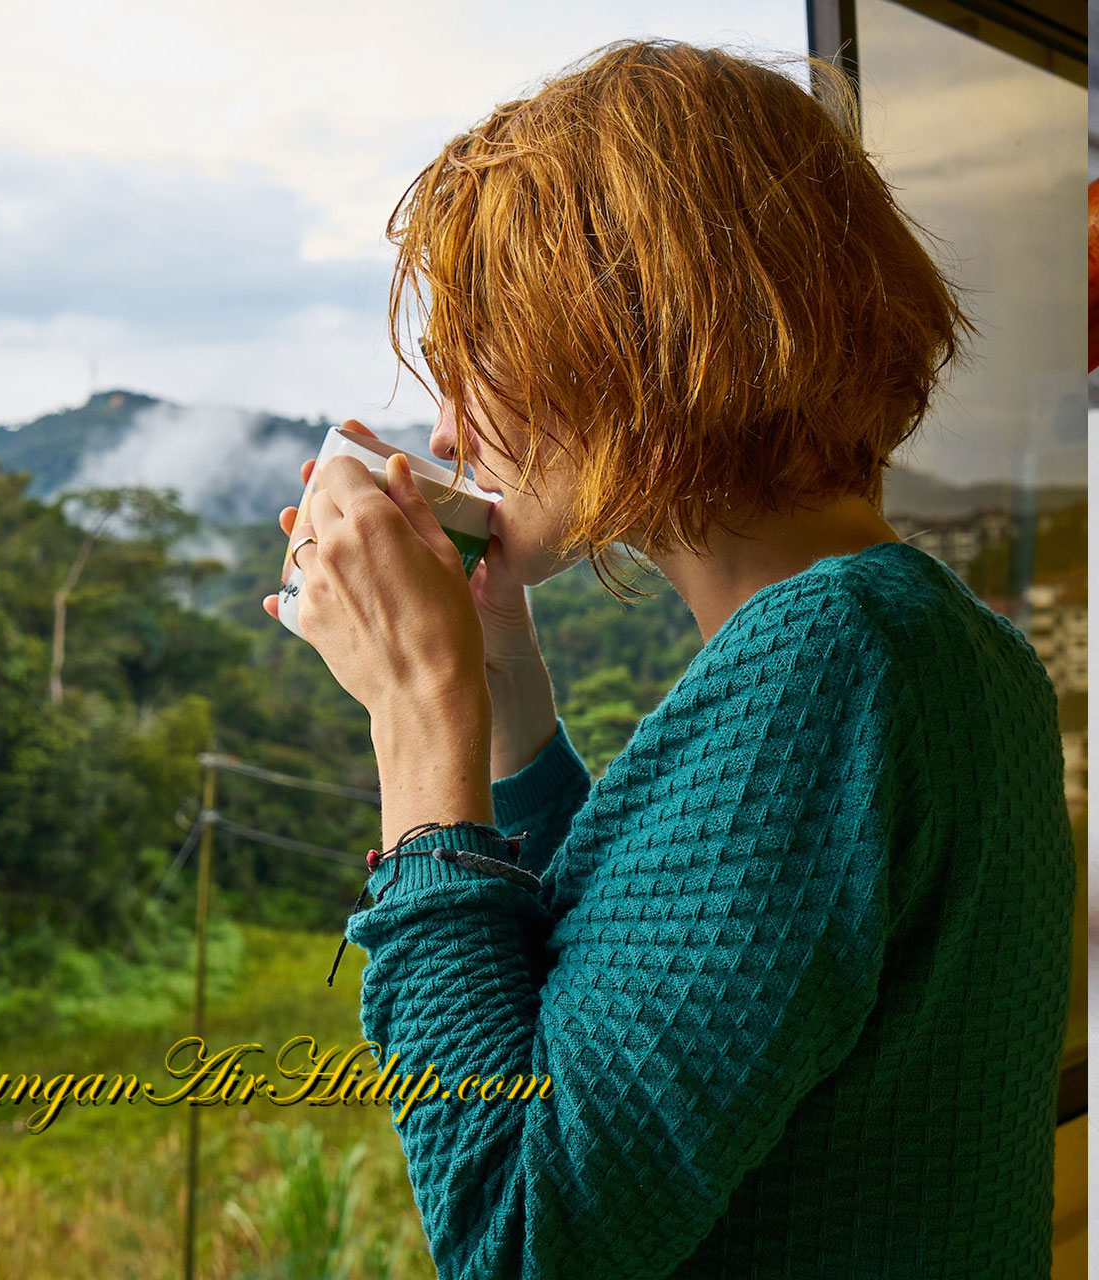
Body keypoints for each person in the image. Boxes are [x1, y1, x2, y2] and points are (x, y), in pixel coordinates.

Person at [258, 38, 1076, 1280]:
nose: (447, 430)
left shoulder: (832, 662)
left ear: (617, 337)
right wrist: (503, 697)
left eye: (479, 355)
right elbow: (667, 979)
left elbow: (519, 1232)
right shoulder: (948, 649)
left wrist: (422, 725)